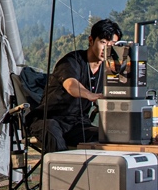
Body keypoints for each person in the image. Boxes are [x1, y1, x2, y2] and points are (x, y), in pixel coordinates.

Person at [33, 19, 123, 152]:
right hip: (48, 119)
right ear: (91, 40)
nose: (107, 49)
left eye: (112, 44)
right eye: (103, 42)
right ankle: (61, 171)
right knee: (52, 131)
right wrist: (89, 95)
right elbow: (70, 84)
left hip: (77, 124)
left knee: (107, 138)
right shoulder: (72, 60)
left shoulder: (108, 69)